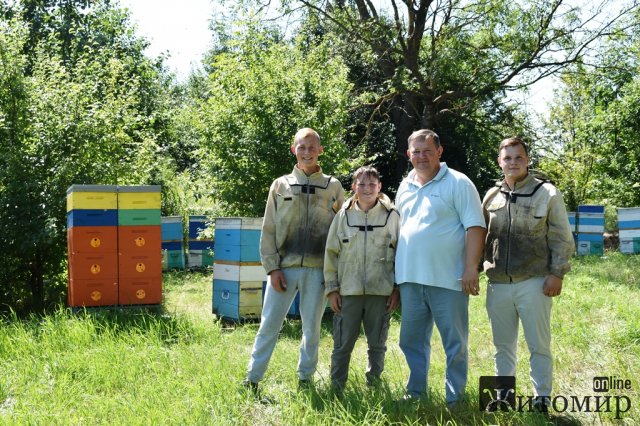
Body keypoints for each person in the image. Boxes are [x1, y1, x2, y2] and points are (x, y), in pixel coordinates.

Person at [243, 128, 345, 399]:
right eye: (302, 147)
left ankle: (305, 379)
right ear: (294, 149)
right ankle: (252, 379)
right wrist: (272, 267)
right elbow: (269, 228)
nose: (307, 152)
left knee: (311, 329)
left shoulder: (333, 186)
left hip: (318, 272)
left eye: (312, 147)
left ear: (320, 150)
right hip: (283, 270)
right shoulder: (280, 185)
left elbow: (341, 232)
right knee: (269, 325)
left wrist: (334, 273)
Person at [482, 136, 574, 413]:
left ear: (527, 160)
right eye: (507, 158)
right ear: (499, 161)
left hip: (535, 281)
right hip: (498, 283)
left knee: (539, 344)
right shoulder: (491, 195)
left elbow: (561, 237)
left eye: (518, 157)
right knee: (501, 345)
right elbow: (481, 237)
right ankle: (502, 397)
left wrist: (557, 273)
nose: (513, 162)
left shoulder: (547, 193)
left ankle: (541, 398)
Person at [395, 129, 486, 406]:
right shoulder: (404, 185)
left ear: (439, 152)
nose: (421, 157)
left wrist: (471, 267)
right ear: (409, 154)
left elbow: (476, 226)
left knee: (454, 344)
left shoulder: (458, 183)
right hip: (410, 279)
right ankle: (415, 393)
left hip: (449, 279)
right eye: (416, 152)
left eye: (427, 151)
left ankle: (455, 398)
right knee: (410, 340)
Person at [324, 166, 401, 390]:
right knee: (342, 344)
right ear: (353, 187)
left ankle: (374, 386)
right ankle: (336, 388)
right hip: (348, 291)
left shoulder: (392, 216)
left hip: (381, 292)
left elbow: (400, 254)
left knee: (377, 344)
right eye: (362, 184)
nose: (367, 189)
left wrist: (396, 288)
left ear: (380, 187)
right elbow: (331, 253)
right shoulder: (344, 216)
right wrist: (332, 289)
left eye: (371, 184)